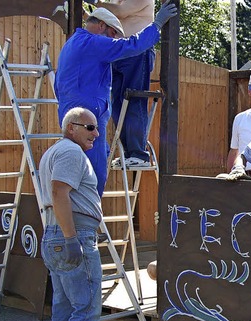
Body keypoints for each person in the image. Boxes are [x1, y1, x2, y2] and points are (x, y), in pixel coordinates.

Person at [54, 1, 177, 196]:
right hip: (88, 118)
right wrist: (157, 25)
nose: (113, 39)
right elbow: (131, 45)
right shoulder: (94, 43)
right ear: (101, 26)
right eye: (112, 34)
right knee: (93, 176)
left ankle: (74, 220)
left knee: (73, 172)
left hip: (70, 116)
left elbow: (57, 85)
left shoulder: (71, 44)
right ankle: (87, 222)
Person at [39, 107, 104, 321]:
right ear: (71, 128)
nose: (96, 133)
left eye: (96, 128)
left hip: (59, 233)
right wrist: (72, 238)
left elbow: (60, 195)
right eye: (89, 128)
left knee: (65, 306)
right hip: (70, 236)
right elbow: (58, 192)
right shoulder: (70, 152)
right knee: (87, 307)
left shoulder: (55, 152)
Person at [94, 0, 157, 169]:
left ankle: (139, 153)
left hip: (138, 51)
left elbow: (120, 12)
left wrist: (95, 2)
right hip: (120, 52)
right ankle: (128, 153)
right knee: (117, 104)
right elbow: (104, 17)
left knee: (134, 100)